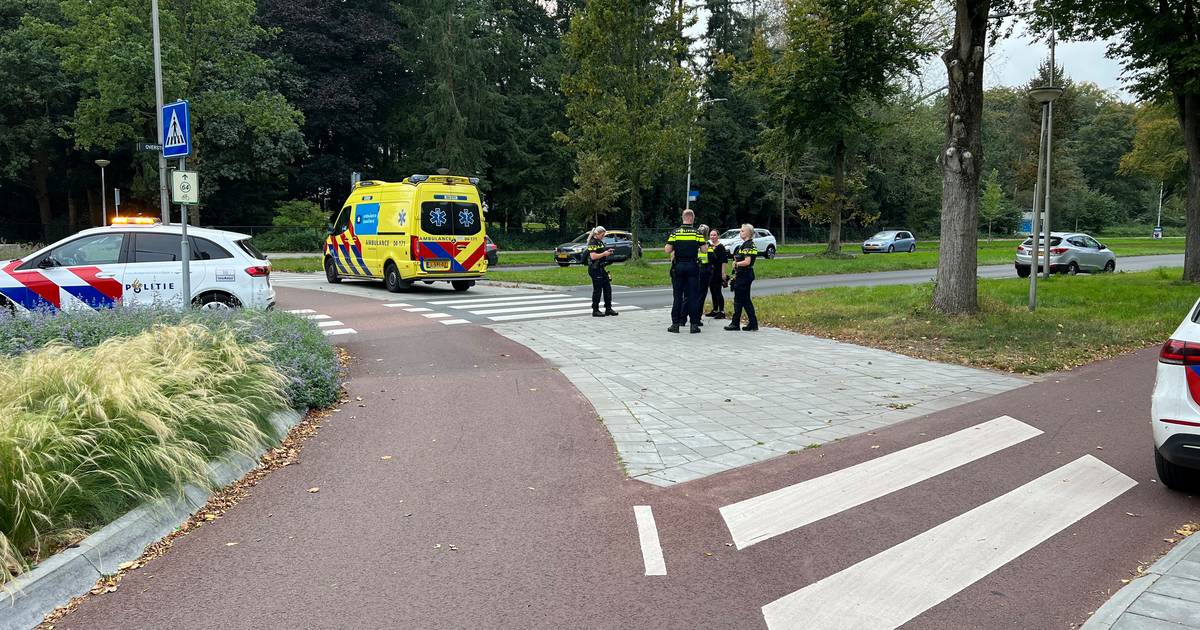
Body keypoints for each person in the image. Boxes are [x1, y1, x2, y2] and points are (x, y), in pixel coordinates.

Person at [665, 209, 706, 333]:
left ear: (683, 218)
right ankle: (694, 325)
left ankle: (675, 325)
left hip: (679, 266)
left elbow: (667, 249)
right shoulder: (697, 233)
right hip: (693, 266)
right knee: (693, 296)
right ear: (692, 219)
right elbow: (704, 250)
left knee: (677, 296)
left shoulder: (675, 232)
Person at [724, 223, 758, 332]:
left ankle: (735, 323)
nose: (740, 232)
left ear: (748, 233)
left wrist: (737, 264)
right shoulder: (745, 244)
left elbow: (747, 262)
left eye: (742, 231)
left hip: (744, 275)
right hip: (744, 275)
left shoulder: (748, 245)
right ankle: (753, 323)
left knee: (739, 300)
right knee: (745, 300)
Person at [586, 226, 619, 317]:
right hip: (595, 268)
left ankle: (608, 308)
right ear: (597, 234)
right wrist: (604, 254)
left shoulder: (599, 241)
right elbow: (593, 256)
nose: (603, 236)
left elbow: (600, 252)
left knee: (607, 288)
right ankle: (595, 310)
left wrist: (607, 251)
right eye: (602, 235)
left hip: (601, 268)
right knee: (597, 290)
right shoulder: (592, 242)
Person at [704, 228, 729, 319]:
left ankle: (721, 311)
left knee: (718, 291)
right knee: (712, 291)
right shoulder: (708, 245)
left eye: (714, 235)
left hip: (718, 271)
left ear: (718, 236)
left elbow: (724, 261)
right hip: (710, 271)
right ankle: (715, 310)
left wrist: (723, 273)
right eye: (711, 235)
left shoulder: (721, 247)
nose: (713, 236)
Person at [693, 224, 710, 326]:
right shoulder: (705, 244)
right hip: (703, 271)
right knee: (701, 296)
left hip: (694, 270)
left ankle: (683, 317)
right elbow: (710, 258)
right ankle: (697, 318)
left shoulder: (693, 243)